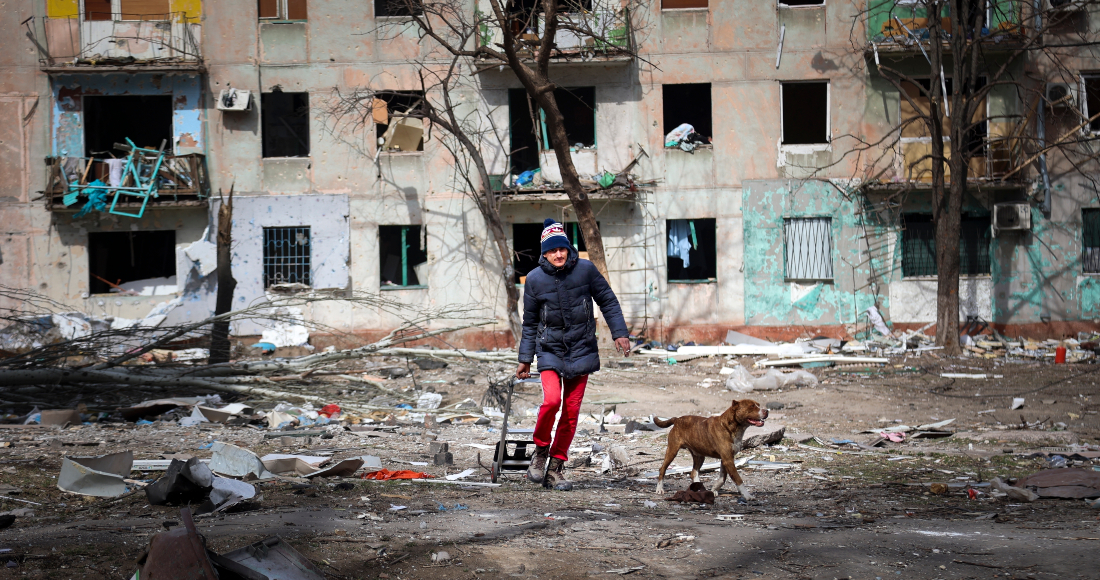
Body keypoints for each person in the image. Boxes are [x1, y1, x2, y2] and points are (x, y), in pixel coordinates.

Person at [516, 219, 631, 491]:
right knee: (552, 401)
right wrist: (525, 359)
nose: (558, 254)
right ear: (544, 253)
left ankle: (556, 467)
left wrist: (619, 332)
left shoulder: (586, 270)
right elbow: (530, 323)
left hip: (582, 348)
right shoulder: (534, 279)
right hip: (550, 349)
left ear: (568, 249)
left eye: (562, 249)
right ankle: (540, 451)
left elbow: (607, 300)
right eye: (552, 250)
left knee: (570, 411)